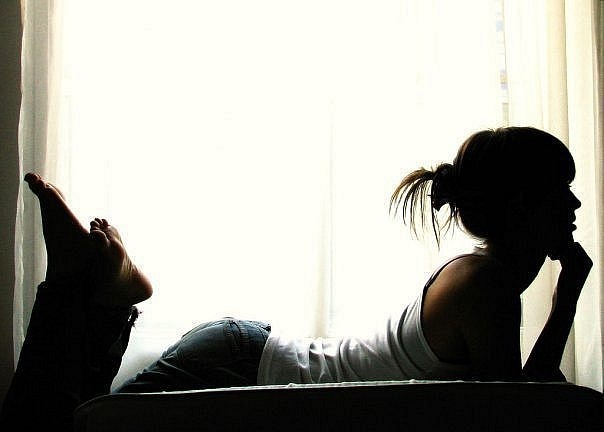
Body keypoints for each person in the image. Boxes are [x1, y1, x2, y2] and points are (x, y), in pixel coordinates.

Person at [1, 126, 592, 430]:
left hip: (241, 354)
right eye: (560, 190)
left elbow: (519, 401)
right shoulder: (486, 285)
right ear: (521, 204)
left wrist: (566, 289)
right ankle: (82, 288)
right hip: (241, 367)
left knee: (79, 427)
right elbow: (515, 415)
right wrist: (565, 296)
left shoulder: (478, 277)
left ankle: (102, 295)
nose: (575, 204)